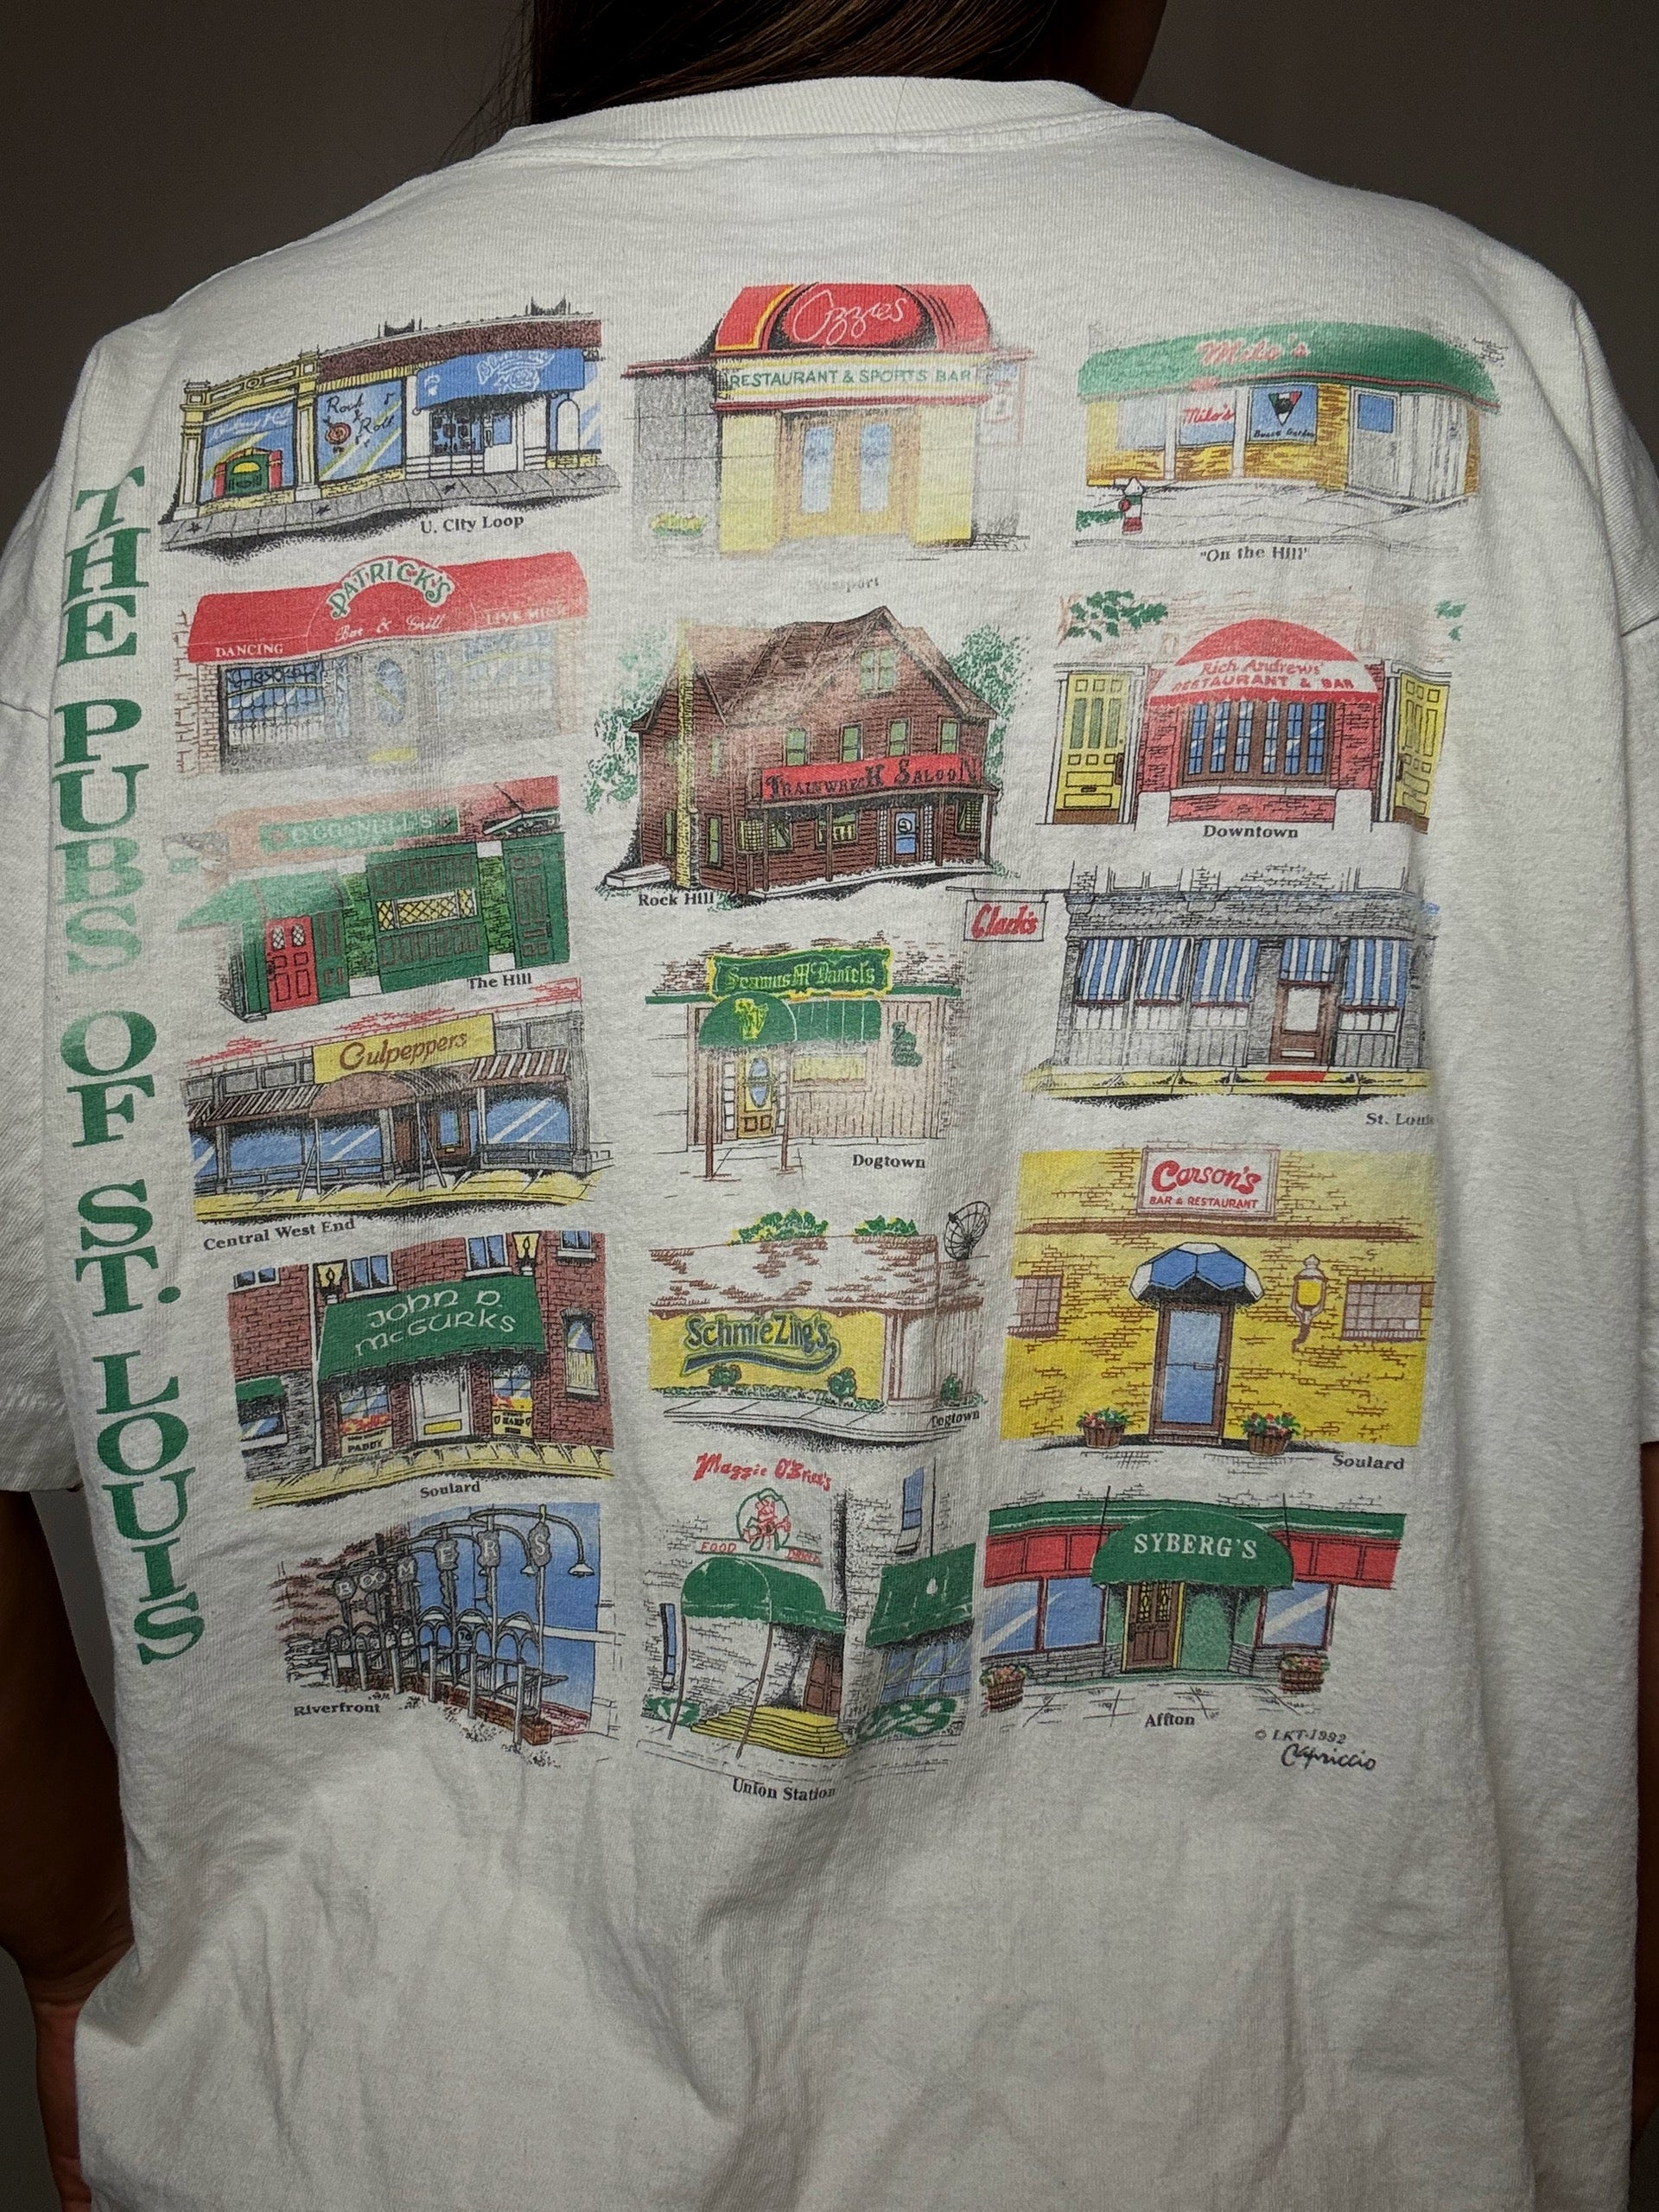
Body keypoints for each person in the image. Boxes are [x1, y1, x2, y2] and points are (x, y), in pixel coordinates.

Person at [2, 2, 1656, 2207]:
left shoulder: (145, 425)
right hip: (1286, 2108)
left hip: (378, 2108)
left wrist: (71, 1936)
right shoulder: (1495, 354)